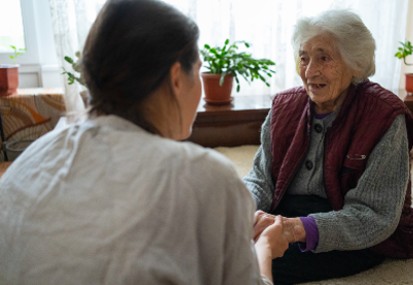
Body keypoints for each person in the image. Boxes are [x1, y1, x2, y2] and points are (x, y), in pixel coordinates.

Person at [0, 0, 290, 284]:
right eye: (199, 70)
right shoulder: (206, 176)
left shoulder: (29, 160)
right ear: (177, 77)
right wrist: (262, 250)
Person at [244, 9, 413, 284]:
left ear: (354, 63)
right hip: (285, 211)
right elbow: (260, 178)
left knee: (251, 261)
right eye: (304, 57)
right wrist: (242, 212)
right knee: (213, 239)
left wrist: (296, 229)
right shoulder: (284, 106)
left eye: (324, 58)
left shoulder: (384, 115)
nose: (310, 71)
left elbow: (374, 216)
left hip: (350, 229)